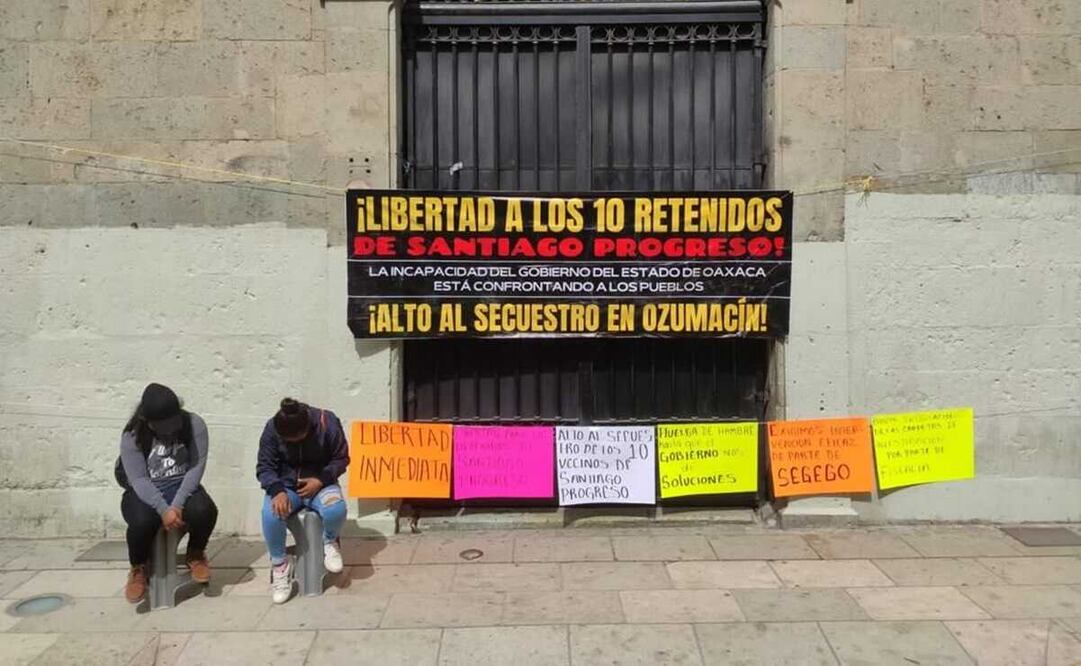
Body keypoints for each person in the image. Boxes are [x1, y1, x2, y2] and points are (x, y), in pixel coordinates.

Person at [118, 383, 218, 603]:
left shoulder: (194, 425)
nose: (172, 430)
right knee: (141, 523)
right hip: (145, 492)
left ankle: (195, 552)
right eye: (165, 427)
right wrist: (163, 509)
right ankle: (138, 567)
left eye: (175, 423)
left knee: (205, 510)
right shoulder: (132, 435)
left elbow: (196, 467)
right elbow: (139, 479)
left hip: (181, 486)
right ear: (149, 423)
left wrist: (178, 504)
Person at [257, 398, 350, 604]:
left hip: (322, 484)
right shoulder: (272, 428)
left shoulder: (328, 422)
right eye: (287, 440)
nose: (293, 442)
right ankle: (280, 565)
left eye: (297, 438)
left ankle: (330, 541)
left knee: (336, 509)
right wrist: (276, 490)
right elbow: (265, 466)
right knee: (270, 515)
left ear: (308, 426)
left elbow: (341, 458)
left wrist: (321, 480)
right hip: (286, 487)